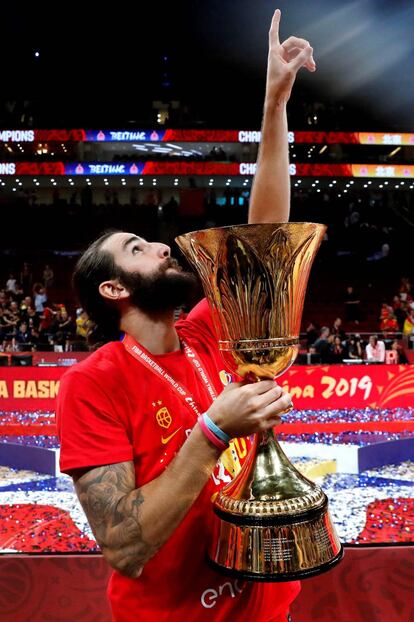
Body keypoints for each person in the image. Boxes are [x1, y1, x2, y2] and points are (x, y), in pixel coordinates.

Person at [56, 10, 316, 622]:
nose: (163, 246)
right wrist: (214, 432)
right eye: (137, 248)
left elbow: (264, 238)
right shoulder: (90, 386)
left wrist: (275, 106)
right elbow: (124, 547)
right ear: (115, 288)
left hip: (264, 605)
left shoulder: (207, 330)